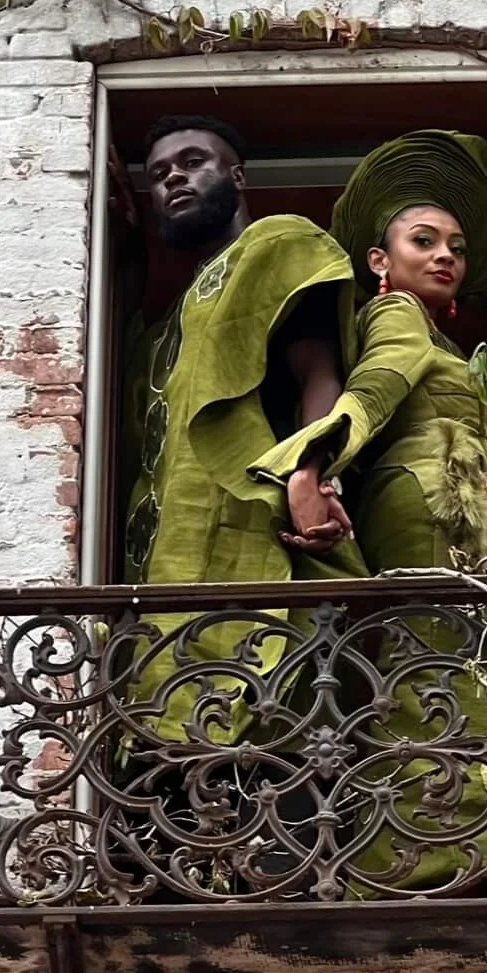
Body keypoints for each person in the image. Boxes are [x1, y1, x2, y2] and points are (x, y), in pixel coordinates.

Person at [249, 129, 487, 889]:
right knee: (450, 681)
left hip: (461, 509)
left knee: (460, 679)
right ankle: (455, 860)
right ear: (380, 261)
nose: (446, 255)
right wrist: (308, 464)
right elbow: (377, 389)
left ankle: (472, 850)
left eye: (455, 244)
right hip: (429, 509)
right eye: (423, 240)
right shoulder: (396, 320)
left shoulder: (454, 344)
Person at [120, 115, 366, 745]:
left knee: (271, 728)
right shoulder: (162, 327)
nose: (173, 176)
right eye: (158, 174)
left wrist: (313, 471)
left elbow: (317, 366)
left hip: (256, 529)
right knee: (174, 745)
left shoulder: (277, 246)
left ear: (236, 175)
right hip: (163, 556)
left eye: (193, 161)